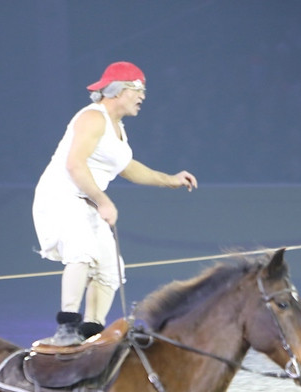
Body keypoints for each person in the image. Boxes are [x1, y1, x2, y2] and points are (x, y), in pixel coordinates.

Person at [31, 61, 198, 345]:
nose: (142, 96)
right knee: (81, 251)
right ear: (119, 90)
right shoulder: (93, 118)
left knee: (111, 269)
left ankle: (91, 332)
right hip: (61, 197)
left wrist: (170, 179)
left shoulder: (117, 128)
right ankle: (67, 327)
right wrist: (103, 200)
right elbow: (75, 165)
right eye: (138, 89)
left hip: (87, 201)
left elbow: (129, 169)